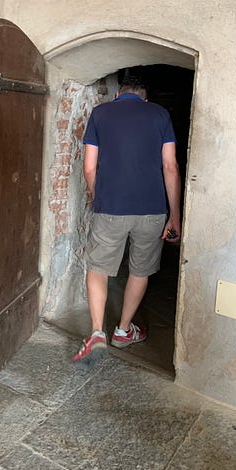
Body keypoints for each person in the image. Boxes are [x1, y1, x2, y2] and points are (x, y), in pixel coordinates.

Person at [72, 74, 181, 365]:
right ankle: (123, 330)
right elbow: (170, 167)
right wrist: (175, 215)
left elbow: (89, 167)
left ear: (119, 94)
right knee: (140, 269)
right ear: (144, 97)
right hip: (153, 209)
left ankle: (97, 332)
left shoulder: (101, 113)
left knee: (98, 267)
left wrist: (101, 195)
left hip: (111, 207)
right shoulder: (159, 114)